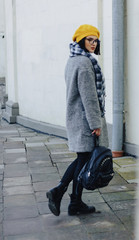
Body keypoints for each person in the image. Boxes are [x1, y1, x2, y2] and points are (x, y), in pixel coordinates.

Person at [46, 24, 109, 216]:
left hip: (77, 117)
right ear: (81, 40)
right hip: (85, 120)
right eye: (89, 39)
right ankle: (60, 191)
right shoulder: (84, 63)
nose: (93, 43)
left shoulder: (73, 60)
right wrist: (95, 124)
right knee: (83, 159)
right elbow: (89, 97)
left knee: (83, 159)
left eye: (95, 39)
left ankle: (74, 201)